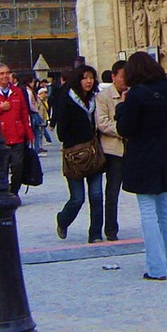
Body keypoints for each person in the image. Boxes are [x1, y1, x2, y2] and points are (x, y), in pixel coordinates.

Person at [115, 51, 167, 280]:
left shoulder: (136, 95)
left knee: (147, 210)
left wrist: (121, 107)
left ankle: (156, 267)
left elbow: (125, 129)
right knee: (163, 208)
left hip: (142, 155)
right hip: (164, 153)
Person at [56, 65, 104, 244]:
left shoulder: (95, 99)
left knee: (97, 195)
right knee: (77, 198)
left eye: (91, 77)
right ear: (78, 79)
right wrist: (75, 146)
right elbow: (62, 131)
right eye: (85, 77)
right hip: (75, 155)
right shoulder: (67, 99)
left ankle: (95, 233)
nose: (89, 81)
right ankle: (63, 219)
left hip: (93, 153)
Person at [95, 60, 126, 241]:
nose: (125, 80)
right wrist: (122, 129)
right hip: (113, 150)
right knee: (112, 191)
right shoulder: (104, 97)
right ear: (113, 77)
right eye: (123, 77)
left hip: (133, 148)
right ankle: (111, 228)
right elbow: (102, 123)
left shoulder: (133, 93)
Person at [0, 63, 34, 199]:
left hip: (17, 135)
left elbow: (24, 113)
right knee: (2, 168)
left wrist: (29, 133)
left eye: (7, 73)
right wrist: (0, 107)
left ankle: (14, 191)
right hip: (1, 137)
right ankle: (4, 193)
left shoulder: (18, 92)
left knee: (18, 167)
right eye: (2, 73)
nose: (5, 76)